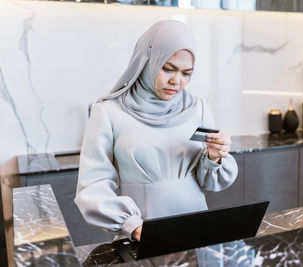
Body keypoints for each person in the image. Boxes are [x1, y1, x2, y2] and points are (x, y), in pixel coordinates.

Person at [74, 20, 238, 242]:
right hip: (143, 233)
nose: (176, 81)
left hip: (196, 228)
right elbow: (93, 185)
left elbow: (208, 181)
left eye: (186, 73)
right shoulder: (108, 112)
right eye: (168, 69)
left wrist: (213, 157)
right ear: (146, 61)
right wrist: (130, 225)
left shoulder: (196, 107)